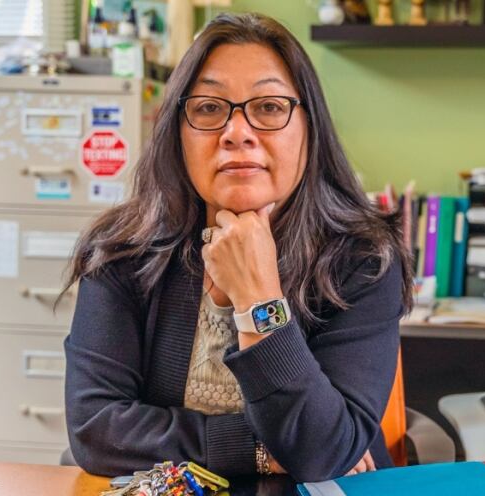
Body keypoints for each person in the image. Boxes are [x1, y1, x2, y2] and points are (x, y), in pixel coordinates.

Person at [63, 12, 413, 483]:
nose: (237, 131)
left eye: (268, 107)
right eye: (209, 108)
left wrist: (258, 300)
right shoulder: (122, 252)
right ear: (178, 131)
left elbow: (322, 450)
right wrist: (258, 450)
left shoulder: (364, 260)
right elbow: (96, 430)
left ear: (309, 127)